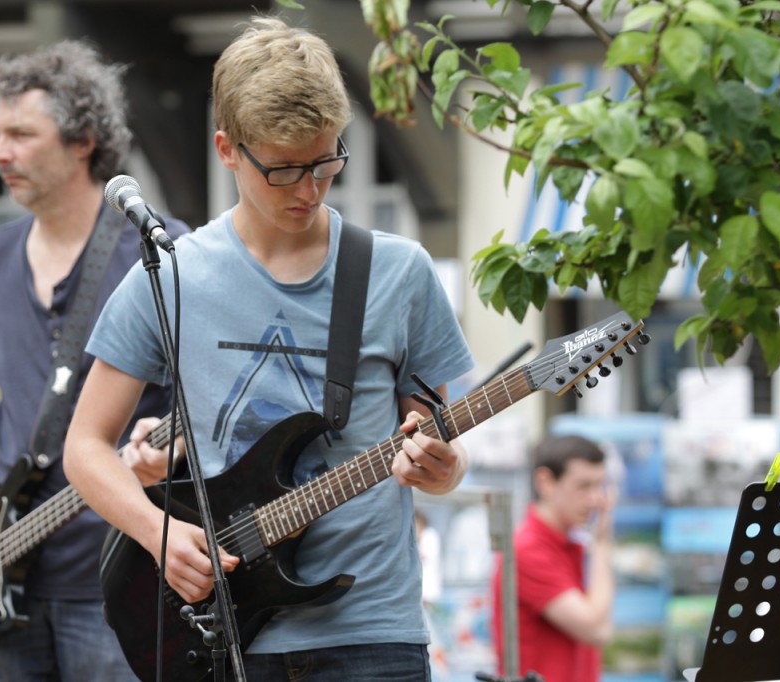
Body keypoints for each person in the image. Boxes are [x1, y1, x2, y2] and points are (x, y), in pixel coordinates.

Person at [64, 16, 475, 681]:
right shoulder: (171, 274)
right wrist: (157, 534)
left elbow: (435, 442)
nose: (309, 191)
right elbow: (85, 447)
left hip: (374, 632)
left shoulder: (401, 272)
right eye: (284, 171)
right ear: (228, 150)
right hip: (221, 636)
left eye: (326, 163)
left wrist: (443, 469)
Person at [0, 40, 189, 680]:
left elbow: (219, 397)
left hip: (125, 582)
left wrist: (176, 450)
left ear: (83, 141)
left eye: (20, 134)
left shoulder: (161, 254)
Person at [492, 434, 616, 682]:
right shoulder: (527, 549)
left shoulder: (567, 543)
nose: (596, 499)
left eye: (599, 485)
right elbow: (596, 629)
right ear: (546, 482)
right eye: (583, 486)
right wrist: (601, 543)